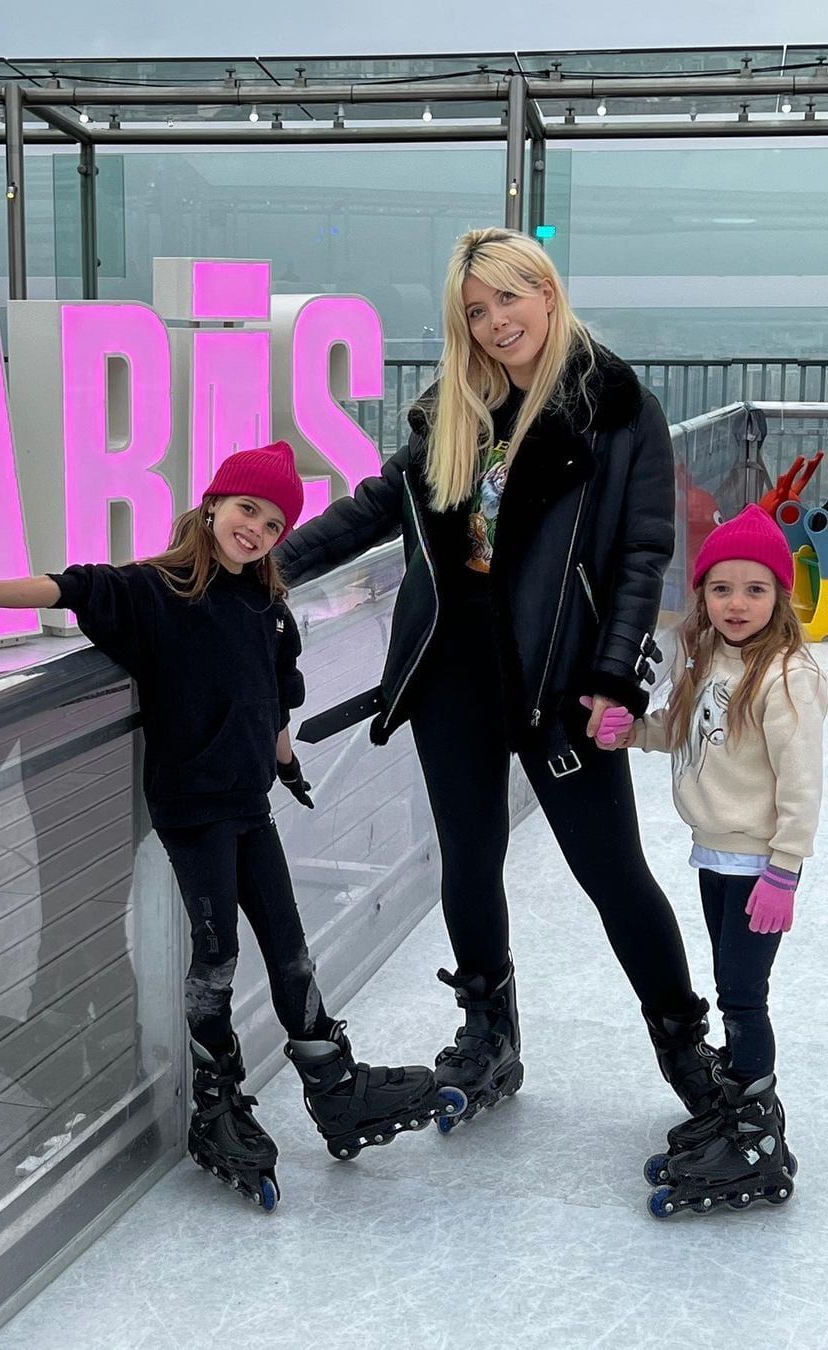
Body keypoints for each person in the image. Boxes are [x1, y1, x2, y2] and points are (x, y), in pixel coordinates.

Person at [0, 441, 465, 1214]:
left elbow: (273, 695)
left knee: (289, 950)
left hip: (250, 807)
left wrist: (284, 761)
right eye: (247, 508)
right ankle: (217, 1101)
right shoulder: (157, 592)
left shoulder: (266, 606)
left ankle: (334, 1085)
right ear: (213, 503)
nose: (256, 528)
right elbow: (71, 586)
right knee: (216, 956)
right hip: (193, 811)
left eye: (275, 521)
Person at [275, 226, 717, 1123]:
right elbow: (373, 509)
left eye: (508, 299)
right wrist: (260, 568)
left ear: (547, 293)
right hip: (455, 672)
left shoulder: (617, 405)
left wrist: (614, 677)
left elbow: (642, 552)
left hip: (560, 676)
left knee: (611, 868)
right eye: (475, 311)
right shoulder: (456, 413)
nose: (493, 322)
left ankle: (685, 1046)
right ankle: (490, 1031)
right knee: (470, 859)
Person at [593, 505, 826, 1217]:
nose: (736, 604)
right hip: (715, 855)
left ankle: (757, 1131)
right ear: (702, 594)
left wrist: (785, 870)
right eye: (721, 588)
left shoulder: (788, 676)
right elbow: (681, 734)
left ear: (779, 596)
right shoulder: (704, 658)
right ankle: (736, 1109)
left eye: (755, 589)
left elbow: (802, 783)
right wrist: (629, 732)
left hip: (760, 866)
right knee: (729, 982)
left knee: (743, 995)